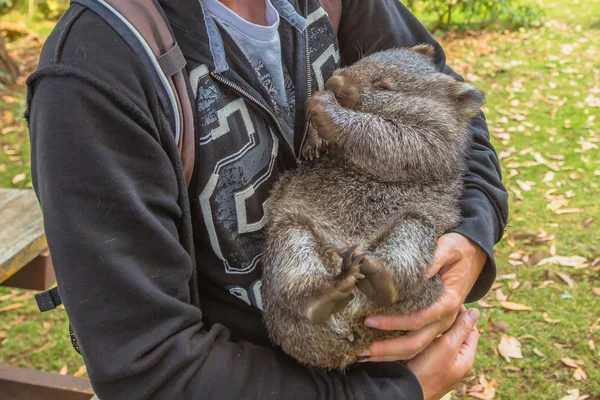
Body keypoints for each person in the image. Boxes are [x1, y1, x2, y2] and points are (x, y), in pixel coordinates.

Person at [26, 0, 508, 399]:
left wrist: (471, 237)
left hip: (384, 326)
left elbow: (453, 114)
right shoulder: (96, 69)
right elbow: (149, 366)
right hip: (268, 364)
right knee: (296, 248)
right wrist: (398, 393)